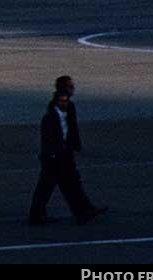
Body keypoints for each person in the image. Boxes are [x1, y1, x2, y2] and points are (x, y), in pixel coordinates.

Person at [28, 75, 108, 225]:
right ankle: (38, 215)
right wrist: (52, 154)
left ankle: (83, 209)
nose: (73, 89)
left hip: (64, 152)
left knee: (70, 182)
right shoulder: (51, 113)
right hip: (54, 156)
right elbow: (50, 136)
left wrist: (73, 146)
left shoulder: (69, 107)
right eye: (70, 87)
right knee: (48, 185)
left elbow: (72, 128)